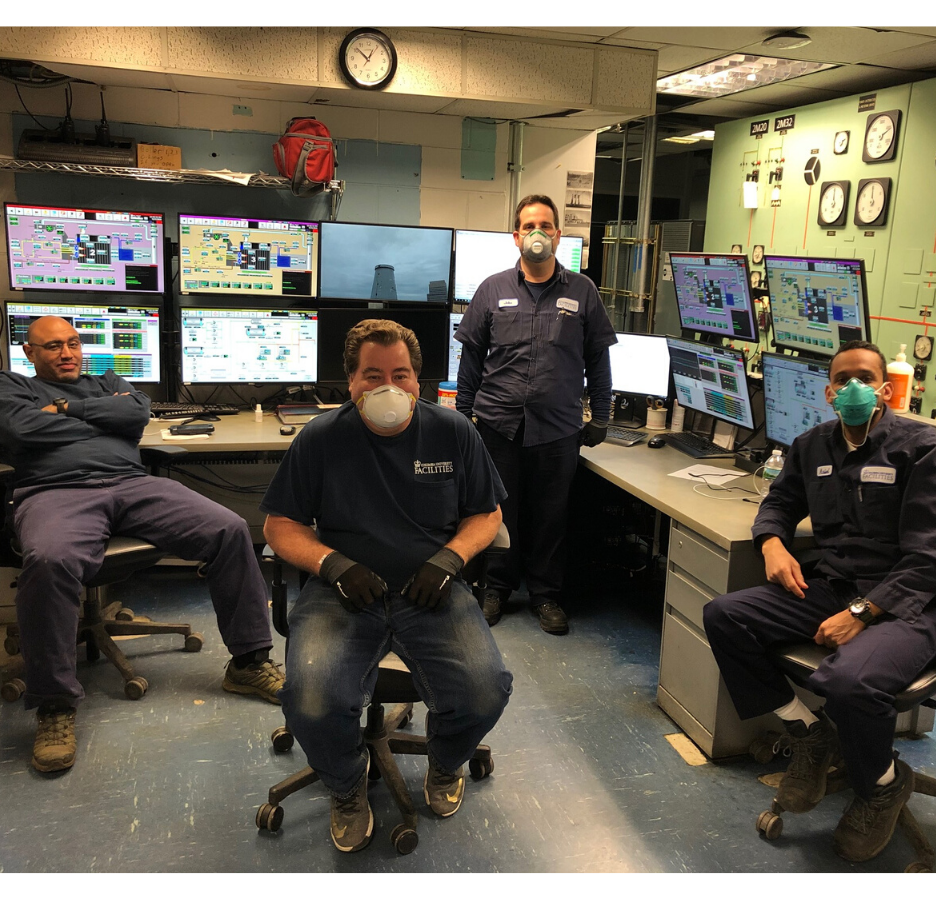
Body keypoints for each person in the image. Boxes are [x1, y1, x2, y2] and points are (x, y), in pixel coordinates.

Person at [261, 319, 513, 854]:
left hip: (431, 592)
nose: (388, 389)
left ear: (418, 381)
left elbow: (486, 514)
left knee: (484, 690)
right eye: (371, 376)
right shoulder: (321, 438)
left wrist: (450, 559)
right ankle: (347, 785)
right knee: (309, 699)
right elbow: (279, 527)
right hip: (343, 593)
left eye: (401, 375)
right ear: (349, 382)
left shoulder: (453, 431)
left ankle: (445, 764)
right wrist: (332, 564)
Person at [0, 316, 284, 775]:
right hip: (55, 490)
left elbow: (134, 415)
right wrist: (99, 417)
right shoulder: (11, 386)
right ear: (30, 353)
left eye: (73, 343)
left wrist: (66, 412)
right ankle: (54, 705)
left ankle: (248, 663)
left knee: (231, 529)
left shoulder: (106, 379)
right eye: (53, 346)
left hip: (132, 485)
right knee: (50, 560)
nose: (67, 353)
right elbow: (20, 432)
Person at [703, 341, 936, 864]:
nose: (854, 387)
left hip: (907, 603)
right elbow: (779, 502)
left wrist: (863, 613)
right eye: (843, 378)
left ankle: (883, 783)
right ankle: (809, 734)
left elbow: (929, 558)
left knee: (850, 683)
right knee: (725, 616)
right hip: (832, 588)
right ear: (829, 391)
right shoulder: (813, 445)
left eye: (865, 377)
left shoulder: (922, 448)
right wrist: (772, 543)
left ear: (885, 388)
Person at [455, 194, 617, 635]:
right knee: (497, 514)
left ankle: (546, 595)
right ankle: (496, 588)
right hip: (497, 424)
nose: (537, 234)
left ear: (558, 236)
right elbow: (470, 361)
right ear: (516, 236)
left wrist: (600, 415)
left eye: (545, 225)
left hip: (558, 429)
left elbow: (598, 361)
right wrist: (462, 418)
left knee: (551, 515)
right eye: (529, 226)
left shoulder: (582, 291)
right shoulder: (492, 288)